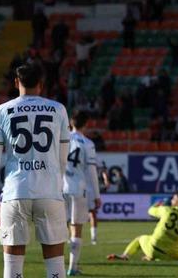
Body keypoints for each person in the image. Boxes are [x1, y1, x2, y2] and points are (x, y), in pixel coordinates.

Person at [0, 62, 71, 278]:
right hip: (49, 191)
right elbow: (62, 157)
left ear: (16, 82)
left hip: (15, 191)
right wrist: (57, 183)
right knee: (55, 265)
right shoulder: (58, 109)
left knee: (12, 267)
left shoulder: (1, 111)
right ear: (41, 83)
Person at [106, 190, 178, 261]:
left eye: (174, 198)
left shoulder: (166, 210)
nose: (172, 200)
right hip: (171, 254)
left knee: (140, 239)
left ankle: (125, 256)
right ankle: (154, 258)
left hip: (151, 248)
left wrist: (157, 204)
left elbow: (150, 211)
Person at [63, 111, 101, 276]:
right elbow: (92, 172)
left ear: (71, 122)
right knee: (77, 229)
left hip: (60, 189)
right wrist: (97, 195)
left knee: (59, 229)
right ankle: (72, 267)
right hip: (78, 190)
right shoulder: (88, 143)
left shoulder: (61, 139)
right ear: (86, 124)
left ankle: (55, 265)